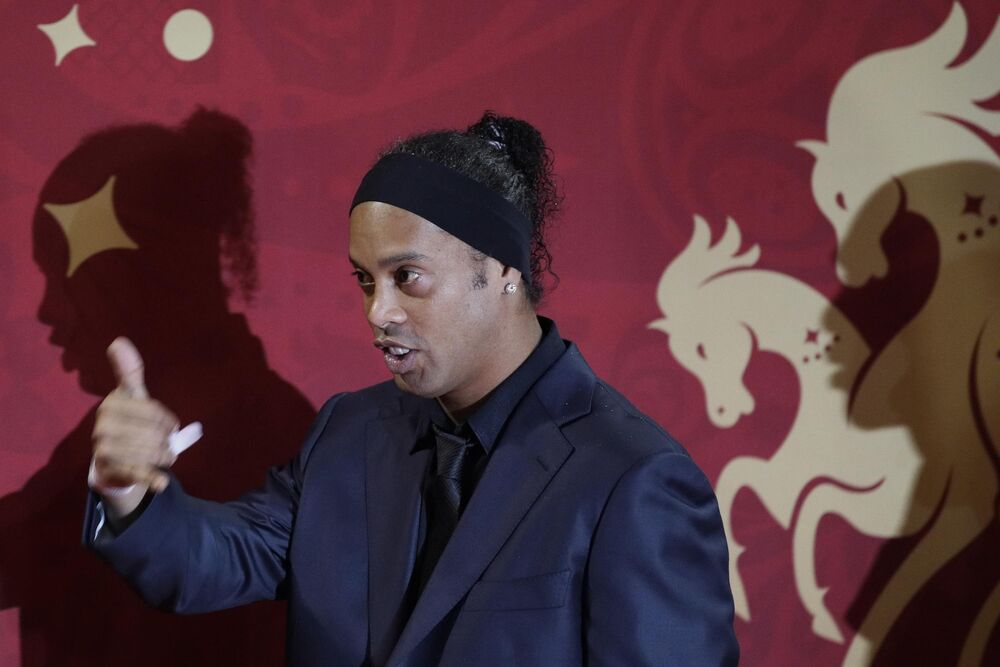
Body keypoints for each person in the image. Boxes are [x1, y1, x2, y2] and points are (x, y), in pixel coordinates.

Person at [84, 112, 739, 666]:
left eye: (408, 277)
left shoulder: (633, 479)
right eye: (365, 280)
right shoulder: (348, 433)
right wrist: (127, 491)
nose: (379, 311)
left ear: (503, 269)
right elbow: (216, 559)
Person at [0, 109, 315, 665]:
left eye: (67, 274)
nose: (47, 311)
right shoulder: (125, 433)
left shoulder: (269, 438)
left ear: (145, 271)